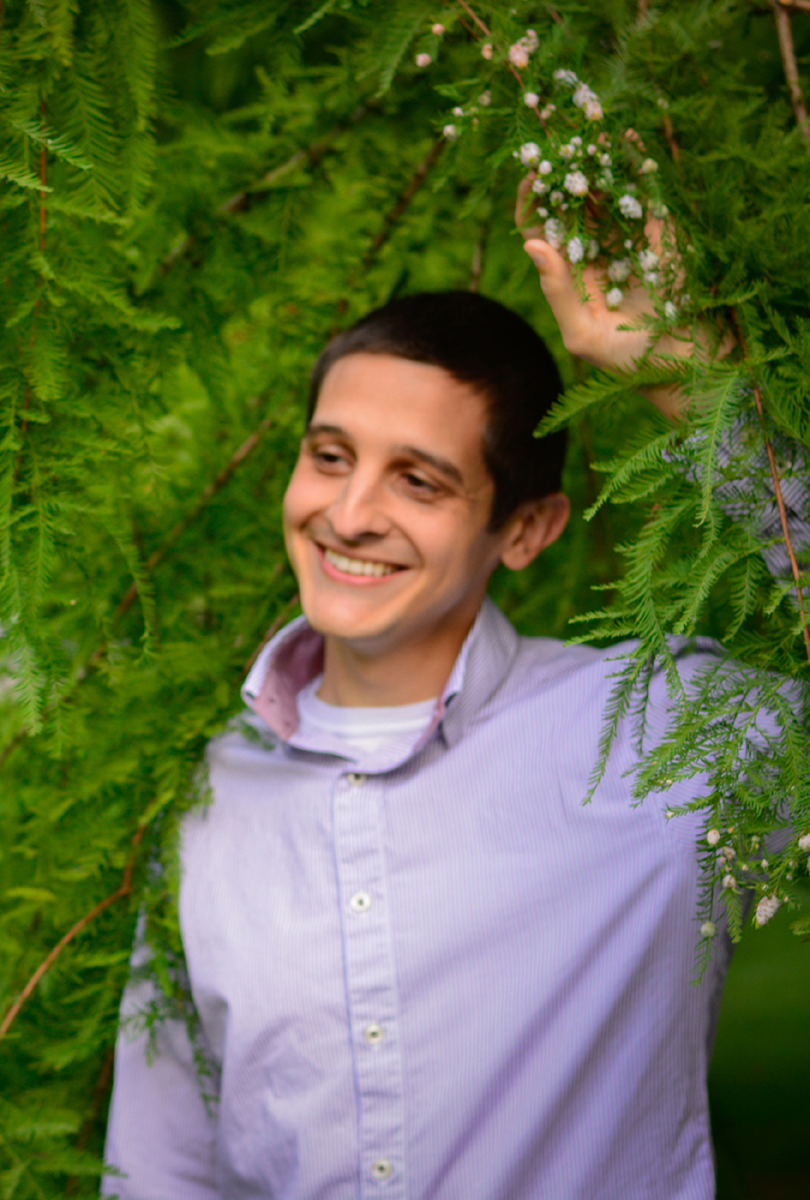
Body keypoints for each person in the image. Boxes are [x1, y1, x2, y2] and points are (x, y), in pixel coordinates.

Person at [99, 230, 793, 1198]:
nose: (350, 514)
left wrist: (689, 379)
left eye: (418, 481)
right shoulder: (209, 789)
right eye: (330, 457)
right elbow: (164, 1162)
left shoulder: (659, 739)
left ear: (525, 529)